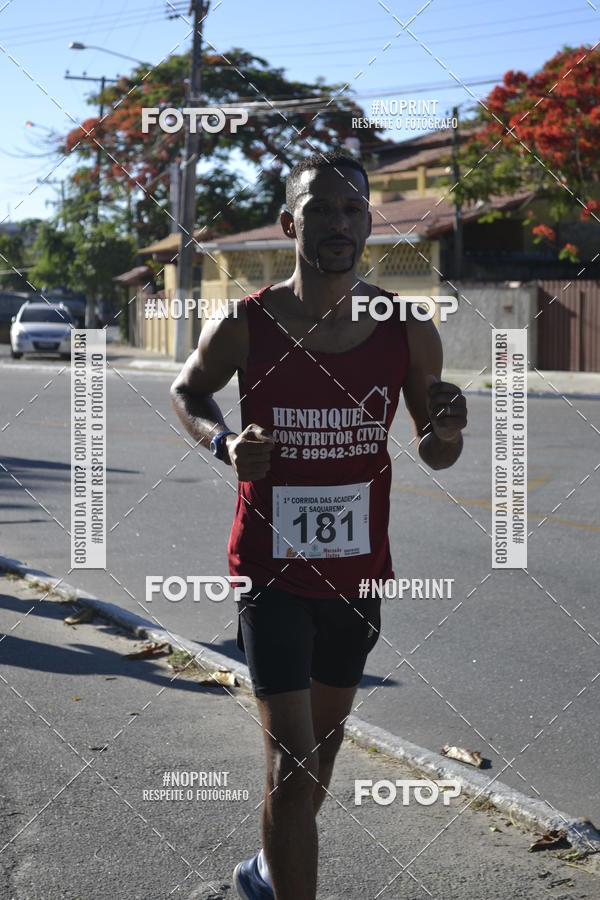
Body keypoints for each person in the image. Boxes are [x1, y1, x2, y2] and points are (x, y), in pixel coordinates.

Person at [170, 150, 467, 900]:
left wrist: (451, 434)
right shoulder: (246, 323)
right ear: (288, 223)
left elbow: (435, 450)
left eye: (351, 211)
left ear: (369, 223)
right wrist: (223, 444)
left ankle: (268, 873)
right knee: (291, 768)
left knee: (321, 755)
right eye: (320, 210)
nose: (338, 223)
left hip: (358, 574)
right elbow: (188, 390)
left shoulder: (406, 329)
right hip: (271, 571)